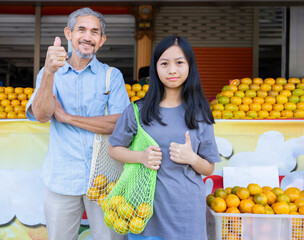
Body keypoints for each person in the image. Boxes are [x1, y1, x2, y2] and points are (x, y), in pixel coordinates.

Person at [25, 7, 130, 240]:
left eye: (95, 32)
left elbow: (118, 124)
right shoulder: (48, 73)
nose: (87, 36)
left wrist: (67, 117)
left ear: (101, 40)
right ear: (68, 34)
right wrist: (51, 72)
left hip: (105, 180)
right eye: (81, 29)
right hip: (62, 177)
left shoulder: (112, 76)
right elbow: (42, 115)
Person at [108, 35, 221, 240]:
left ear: (189, 67)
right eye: (164, 63)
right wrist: (141, 157)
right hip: (145, 209)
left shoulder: (200, 113)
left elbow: (209, 167)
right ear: (155, 68)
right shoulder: (138, 110)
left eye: (179, 63)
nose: (172, 70)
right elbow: (114, 149)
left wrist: (192, 158)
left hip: (186, 213)